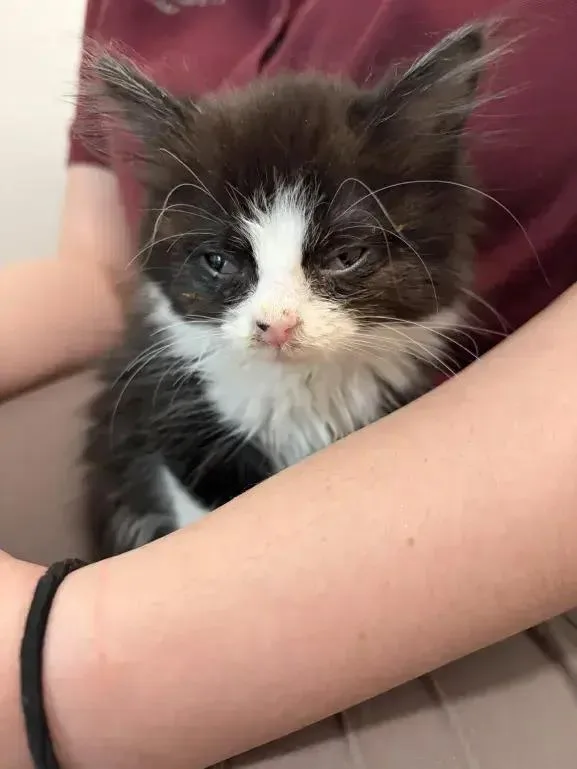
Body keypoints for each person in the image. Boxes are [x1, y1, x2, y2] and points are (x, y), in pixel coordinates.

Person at [2, 1, 577, 767]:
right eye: (222, 262)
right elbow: (95, 270)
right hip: (167, 539)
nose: (277, 318)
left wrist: (84, 662)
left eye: (340, 257)